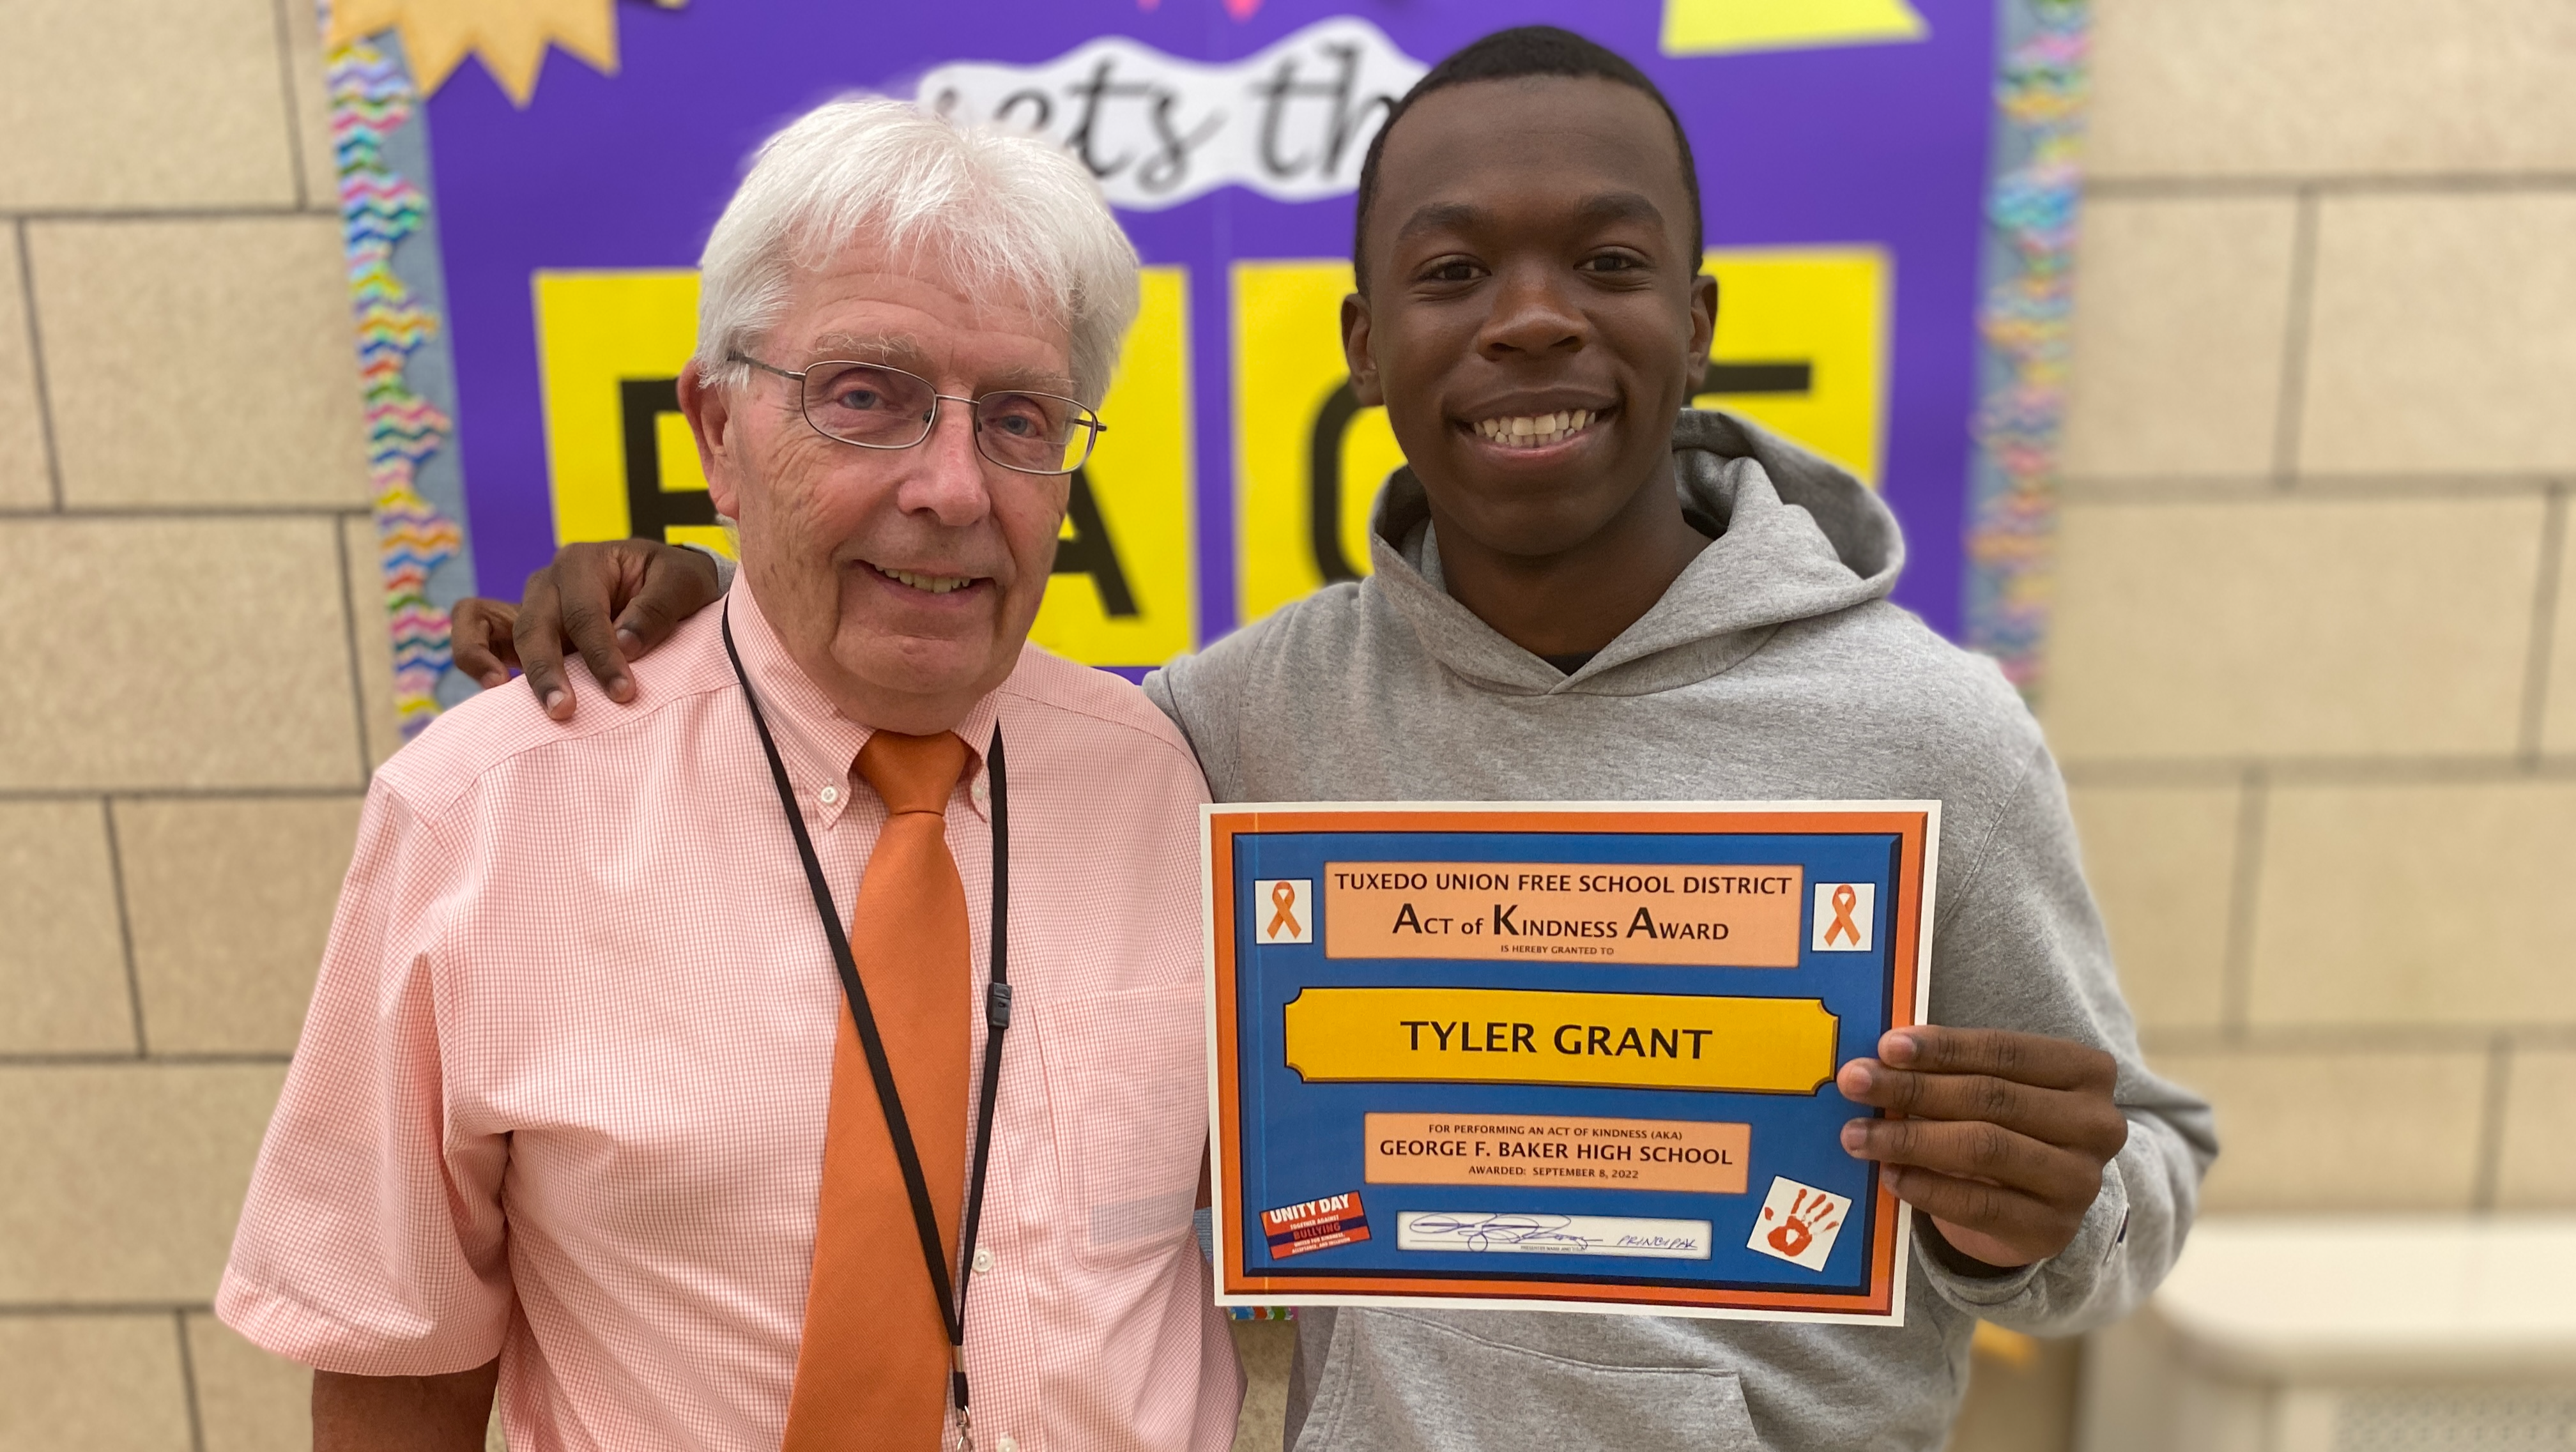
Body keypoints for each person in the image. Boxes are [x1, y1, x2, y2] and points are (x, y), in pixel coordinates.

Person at [459, 27, 2216, 1452]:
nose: (1533, 313)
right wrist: (713, 607)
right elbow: (945, 727)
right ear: (1368, 349)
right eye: (1456, 271)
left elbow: (2131, 1185)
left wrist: (2038, 1212)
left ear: (1698, 326)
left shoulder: (1934, 730)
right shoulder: (1235, 724)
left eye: (1608, 261)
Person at [219, 98, 1243, 1451]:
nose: (951, 485)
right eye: (865, 396)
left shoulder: (1180, 786)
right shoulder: (478, 812)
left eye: (1017, 417)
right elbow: (397, 1361)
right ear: (717, 431)